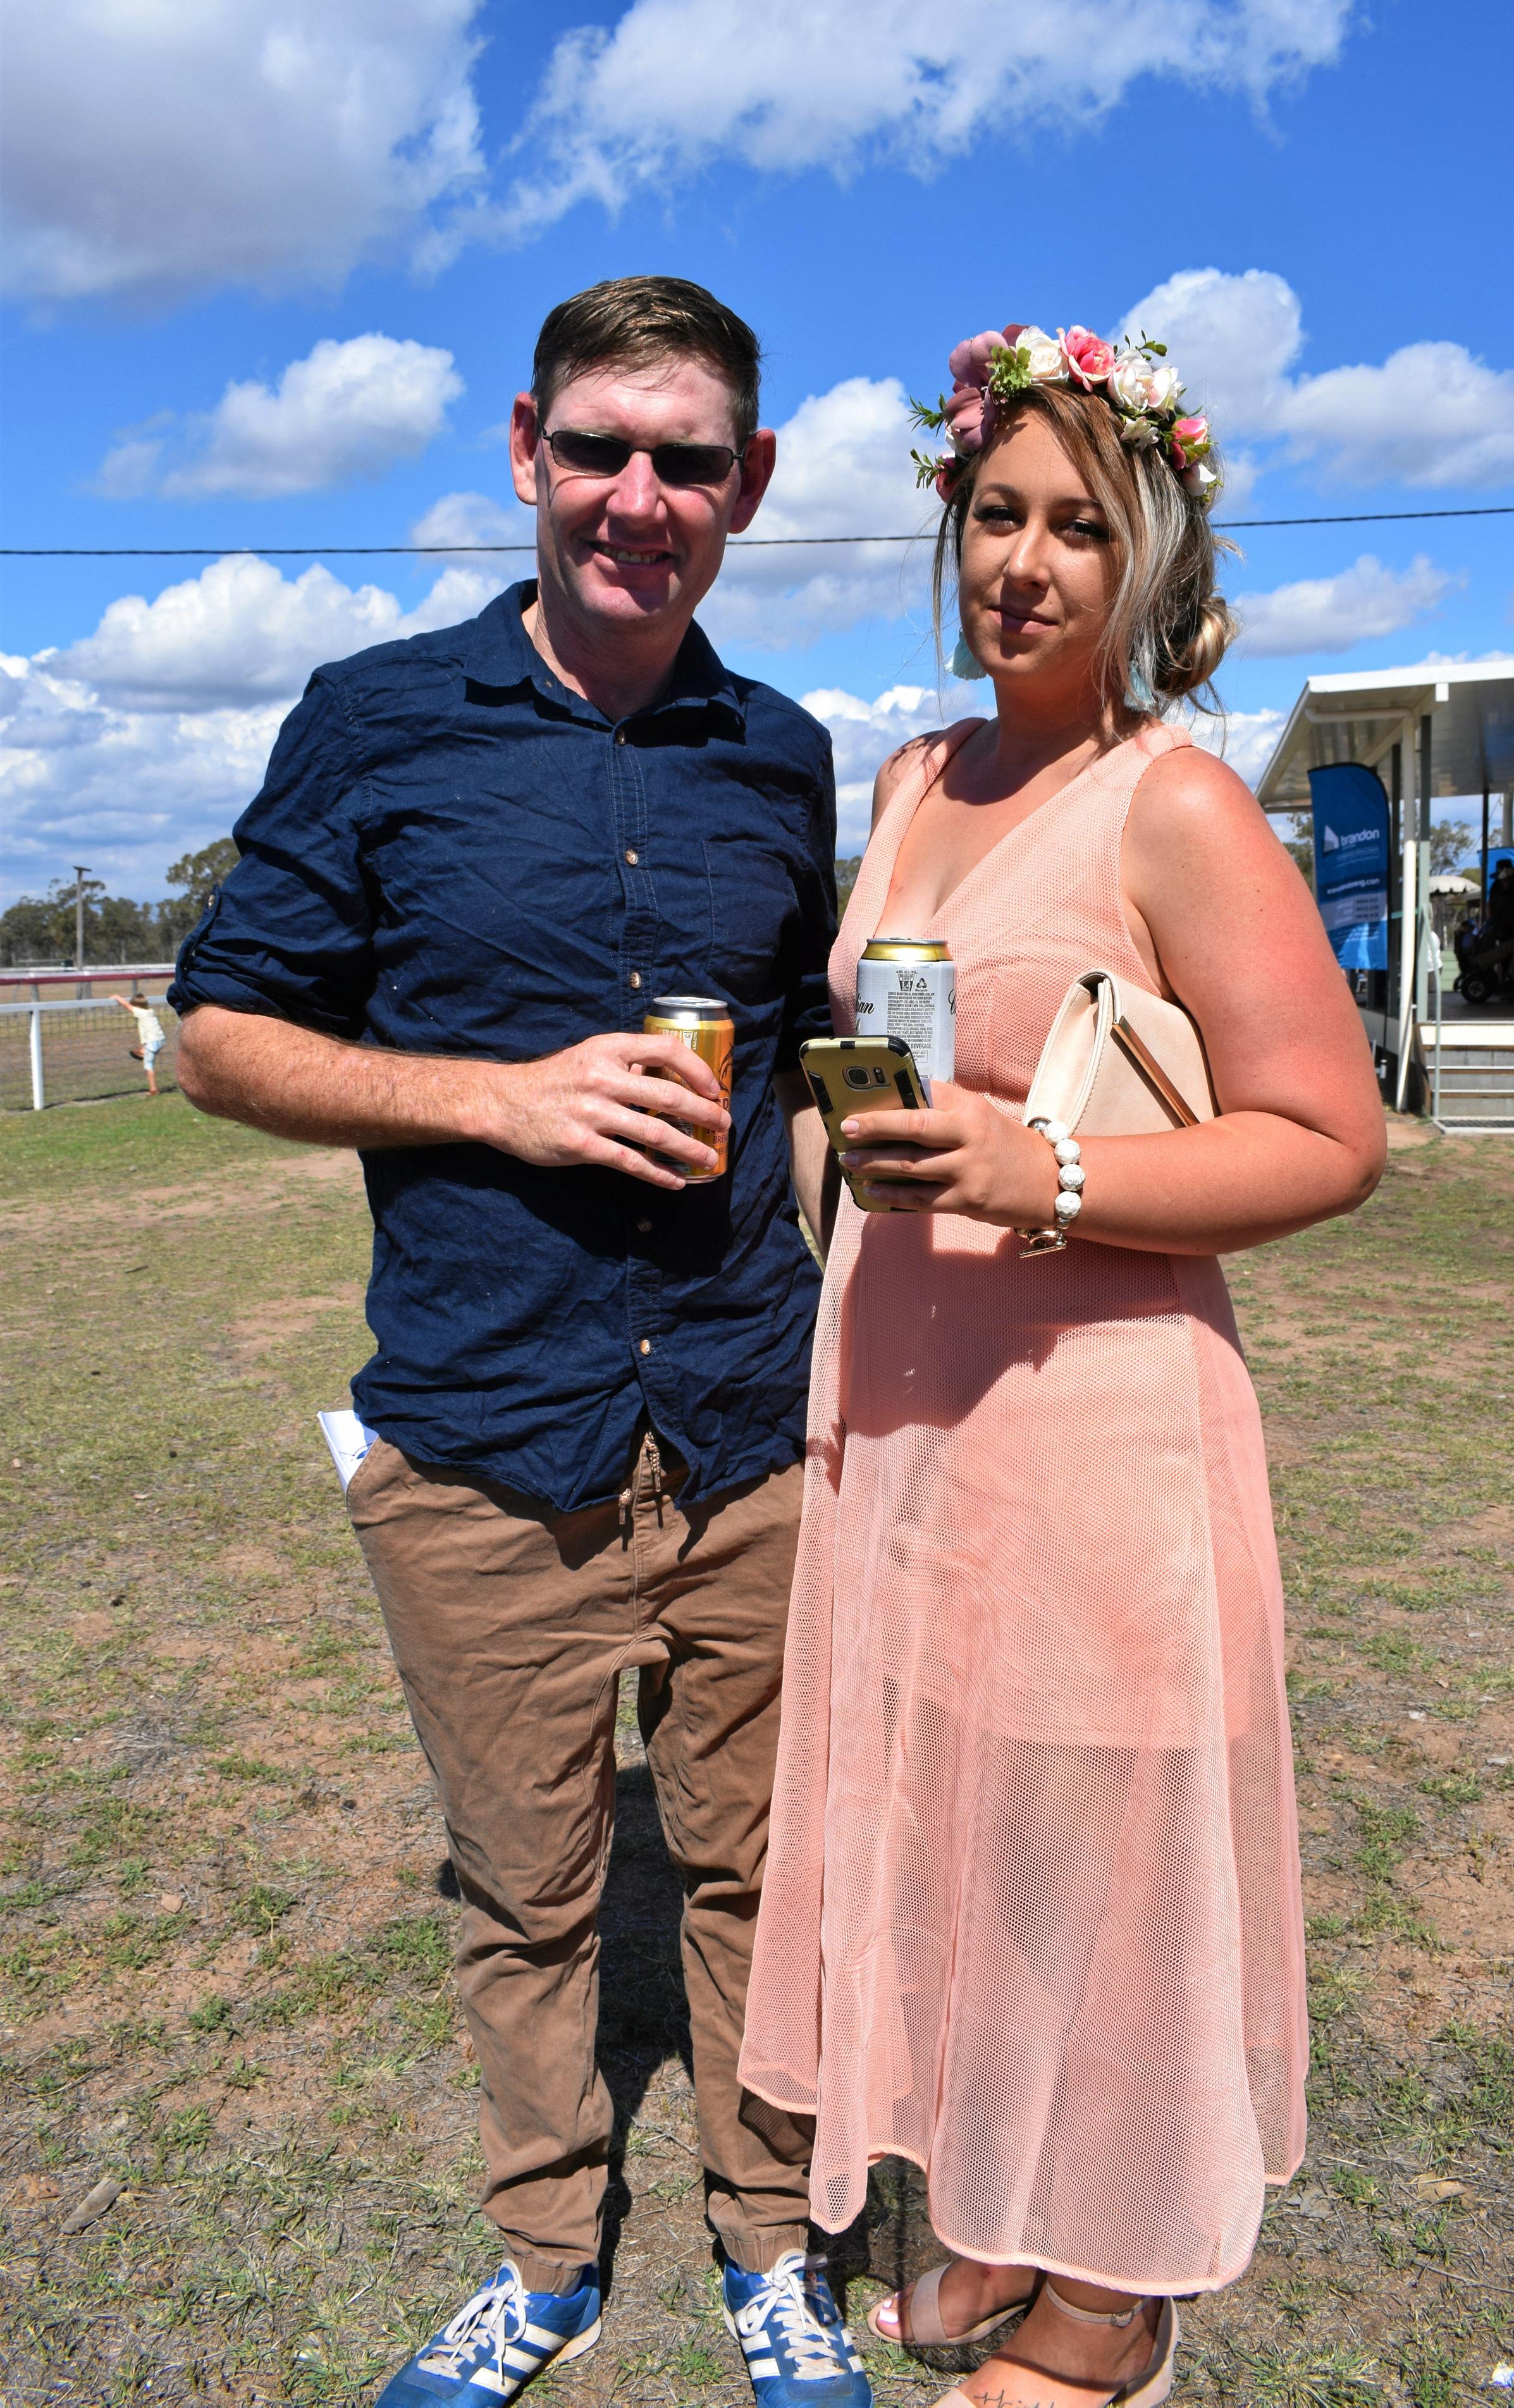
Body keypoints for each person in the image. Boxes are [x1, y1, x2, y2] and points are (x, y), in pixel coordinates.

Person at [171, 275, 870, 2408]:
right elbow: (215, 1034)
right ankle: (546, 2248)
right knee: (529, 1881)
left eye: (682, 458)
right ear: (522, 452)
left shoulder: (779, 752)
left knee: (762, 1858)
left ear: (745, 485)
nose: (633, 497)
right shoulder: (375, 718)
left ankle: (770, 2241)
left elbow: (820, 1048)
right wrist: (494, 1094)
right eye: (596, 448)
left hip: (753, 1415)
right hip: (487, 1429)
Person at [739, 320, 1387, 2408]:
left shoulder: (1172, 798)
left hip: (1091, 1420)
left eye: (1074, 529)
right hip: (904, 1420)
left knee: (1096, 1842)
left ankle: (1106, 2296)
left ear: (1144, 565)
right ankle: (1003, 2214)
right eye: (994, 515)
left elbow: (1323, 1132)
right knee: (966, 1822)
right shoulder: (916, 776)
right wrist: (846, 1124)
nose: (1024, 560)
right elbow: (898, 1041)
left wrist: (1051, 1160)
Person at [115, 990, 165, 1094]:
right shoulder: (150, 1011)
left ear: (137, 1005)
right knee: (148, 1049)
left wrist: (117, 997)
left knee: (148, 1066)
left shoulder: (140, 1012)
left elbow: (126, 1005)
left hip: (152, 1042)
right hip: (160, 1040)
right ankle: (142, 1052)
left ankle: (153, 1089)